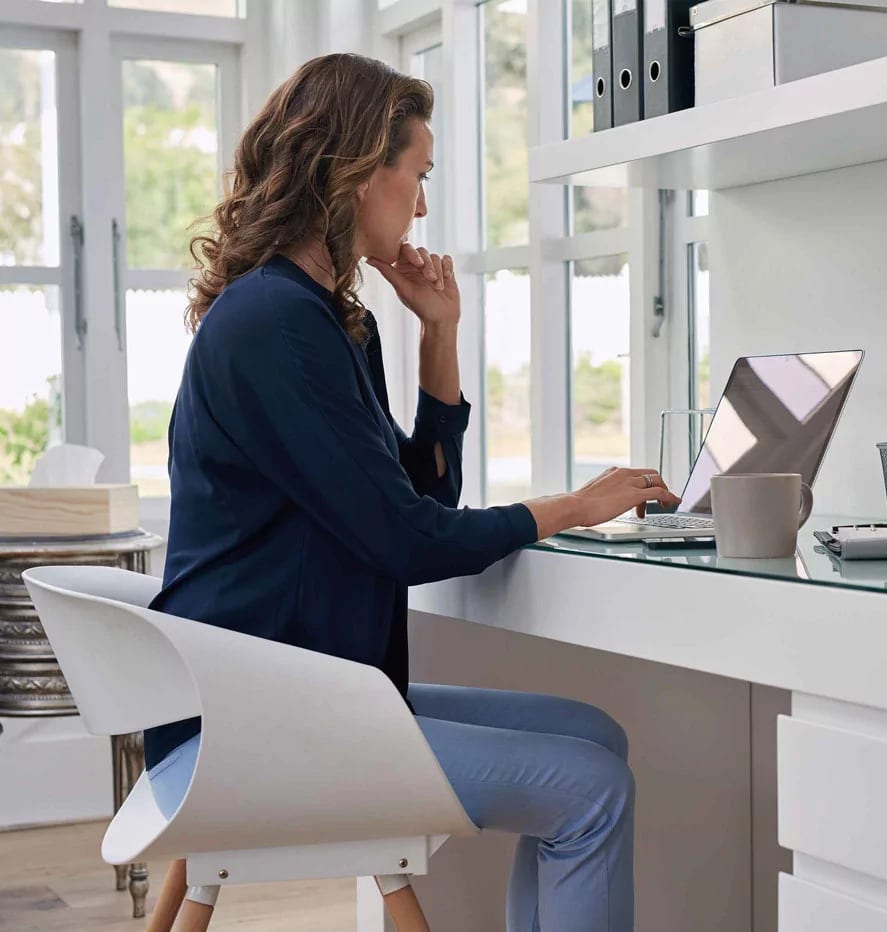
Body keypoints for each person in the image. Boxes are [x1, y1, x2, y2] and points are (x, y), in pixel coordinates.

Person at [144, 53, 680, 932]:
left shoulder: (326, 318)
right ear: (359, 173)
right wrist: (574, 505)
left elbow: (417, 489)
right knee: (594, 790)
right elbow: (407, 541)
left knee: (596, 737)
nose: (423, 204)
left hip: (307, 693)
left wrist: (440, 333)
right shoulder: (276, 324)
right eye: (418, 175)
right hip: (254, 730)